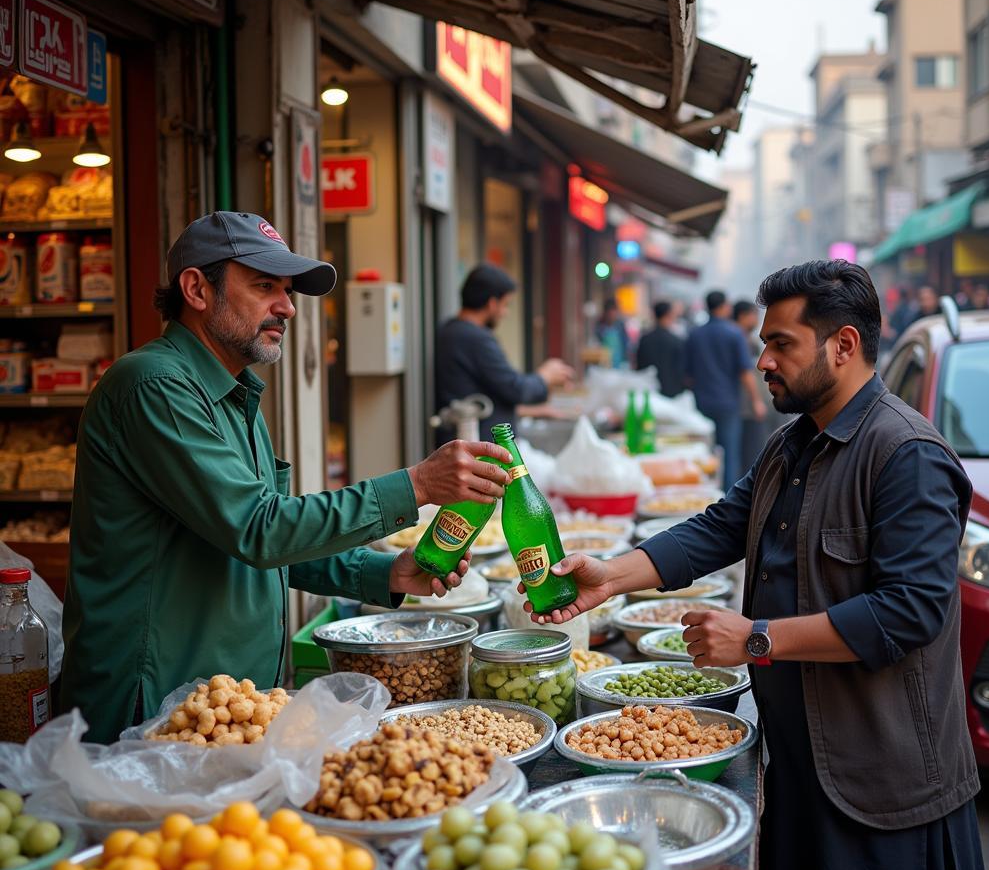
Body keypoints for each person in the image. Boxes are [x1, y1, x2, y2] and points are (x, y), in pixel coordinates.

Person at [526, 259, 989, 870]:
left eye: (782, 344)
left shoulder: (906, 454)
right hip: (807, 779)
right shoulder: (792, 444)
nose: (763, 360)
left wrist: (758, 639)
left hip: (884, 791)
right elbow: (720, 526)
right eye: (763, 343)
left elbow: (907, 613)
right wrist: (609, 578)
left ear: (844, 345)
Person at [61, 212, 515, 743]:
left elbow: (266, 544)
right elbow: (260, 528)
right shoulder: (152, 385)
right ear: (197, 289)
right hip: (151, 710)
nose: (288, 306)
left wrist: (384, 574)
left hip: (227, 708)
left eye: (288, 290)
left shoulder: (236, 394)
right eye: (263, 286)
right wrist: (416, 484)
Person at [434, 263, 573, 442]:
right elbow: (514, 388)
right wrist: (545, 376)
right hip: (482, 447)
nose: (505, 313)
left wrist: (536, 407)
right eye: (505, 304)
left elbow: (490, 393)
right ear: (492, 303)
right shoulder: (475, 337)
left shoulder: (452, 330)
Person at [684, 290, 767, 488]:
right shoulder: (734, 333)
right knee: (730, 456)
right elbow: (745, 372)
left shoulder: (694, 334)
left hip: (701, 403)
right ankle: (726, 502)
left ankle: (705, 494)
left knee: (704, 455)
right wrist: (756, 401)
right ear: (724, 307)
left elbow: (688, 376)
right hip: (728, 403)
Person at [733, 299, 772, 472]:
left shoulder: (745, 339)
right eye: (754, 315)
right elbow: (746, 373)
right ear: (743, 316)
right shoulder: (740, 339)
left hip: (740, 405)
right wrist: (757, 401)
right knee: (751, 451)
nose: (756, 320)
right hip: (747, 405)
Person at [635, 301, 687, 397]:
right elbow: (682, 370)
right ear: (669, 315)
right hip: (673, 393)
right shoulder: (676, 341)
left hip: (649, 392)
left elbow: (639, 367)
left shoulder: (644, 340)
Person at [595, 297, 630, 368]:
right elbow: (596, 344)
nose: (612, 316)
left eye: (614, 313)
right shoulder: (600, 326)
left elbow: (625, 344)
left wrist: (626, 361)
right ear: (605, 313)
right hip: (604, 364)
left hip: (620, 363)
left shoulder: (620, 326)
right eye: (610, 313)